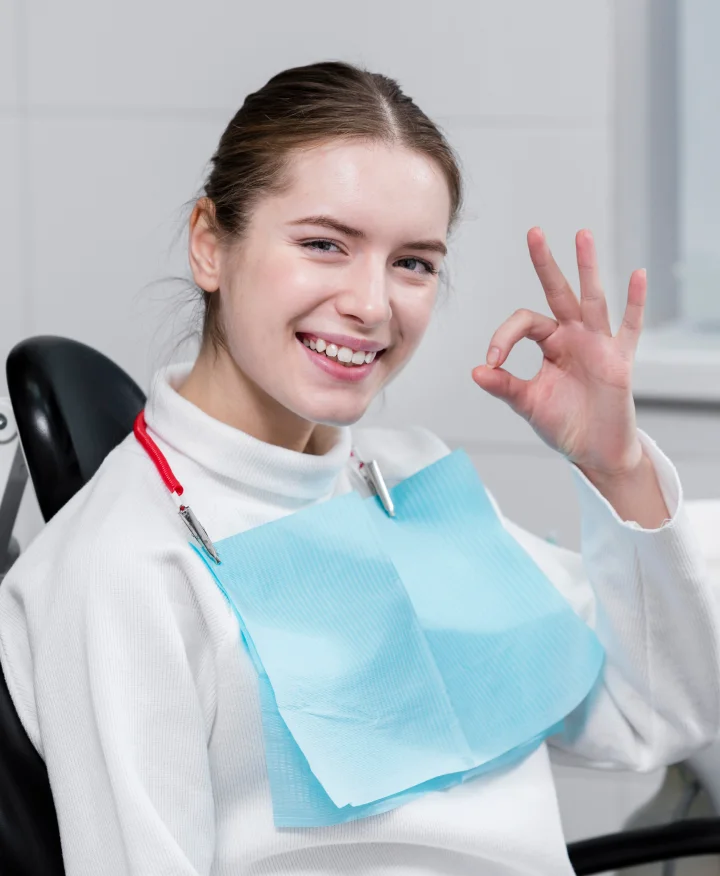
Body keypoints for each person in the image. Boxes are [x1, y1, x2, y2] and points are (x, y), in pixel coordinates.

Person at [0, 61, 718, 876]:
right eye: (323, 245)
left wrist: (613, 461)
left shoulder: (411, 476)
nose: (373, 305)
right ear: (210, 243)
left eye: (413, 262)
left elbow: (650, 715)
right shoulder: (124, 567)